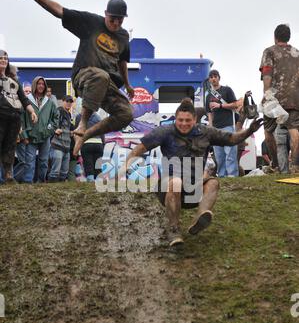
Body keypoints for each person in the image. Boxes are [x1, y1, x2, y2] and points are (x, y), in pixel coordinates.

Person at [15, 0, 134, 157]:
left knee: (126, 114)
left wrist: (127, 84)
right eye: (112, 19)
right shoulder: (91, 22)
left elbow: (123, 62)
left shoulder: (123, 36)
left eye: (120, 20)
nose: (116, 23)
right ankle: (83, 123)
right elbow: (59, 10)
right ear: (105, 14)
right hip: (83, 76)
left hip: (105, 85)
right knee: (100, 76)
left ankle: (85, 134)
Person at [124, 98, 263, 247]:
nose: (183, 124)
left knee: (213, 183)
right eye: (180, 120)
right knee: (176, 182)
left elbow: (231, 139)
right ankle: (173, 230)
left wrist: (250, 131)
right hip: (169, 188)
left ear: (195, 119)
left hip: (193, 188)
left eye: (188, 120)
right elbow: (141, 148)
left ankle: (199, 218)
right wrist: (126, 166)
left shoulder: (205, 132)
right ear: (175, 118)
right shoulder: (164, 132)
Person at [259, 24, 299, 174]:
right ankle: (295, 166)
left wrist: (267, 94)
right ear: (288, 37)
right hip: (295, 99)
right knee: (294, 130)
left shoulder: (269, 51)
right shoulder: (297, 53)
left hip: (275, 99)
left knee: (268, 132)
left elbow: (267, 73)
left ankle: (275, 165)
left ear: (275, 37)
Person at [0, 50, 37, 183]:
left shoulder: (14, 81)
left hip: (15, 117)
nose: (3, 60)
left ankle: (9, 175)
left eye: (5, 58)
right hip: (1, 116)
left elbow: (23, 99)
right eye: (0, 58)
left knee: (10, 146)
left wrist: (32, 112)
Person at [20, 76, 59, 183]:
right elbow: (21, 120)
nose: (41, 86)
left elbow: (55, 118)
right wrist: (24, 136)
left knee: (43, 161)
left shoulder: (49, 102)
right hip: (30, 136)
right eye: (39, 83)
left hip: (45, 136)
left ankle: (41, 182)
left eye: (43, 84)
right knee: (29, 161)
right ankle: (28, 183)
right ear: (34, 85)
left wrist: (49, 130)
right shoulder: (27, 101)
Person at [205, 70, 241, 177]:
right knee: (219, 156)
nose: (213, 79)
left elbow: (235, 104)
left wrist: (220, 105)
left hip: (228, 126)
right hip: (216, 129)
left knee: (230, 154)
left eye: (215, 76)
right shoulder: (208, 96)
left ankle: (232, 176)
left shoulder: (227, 90)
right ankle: (222, 176)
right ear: (209, 80)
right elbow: (209, 113)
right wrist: (210, 127)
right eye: (211, 77)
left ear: (219, 78)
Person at [48, 95, 73, 182]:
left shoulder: (69, 114)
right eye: (67, 101)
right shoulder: (59, 111)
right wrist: (55, 130)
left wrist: (71, 132)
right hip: (57, 146)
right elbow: (49, 123)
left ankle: (61, 192)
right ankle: (50, 191)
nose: (69, 103)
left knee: (64, 172)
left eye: (70, 102)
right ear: (63, 101)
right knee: (55, 172)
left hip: (66, 147)